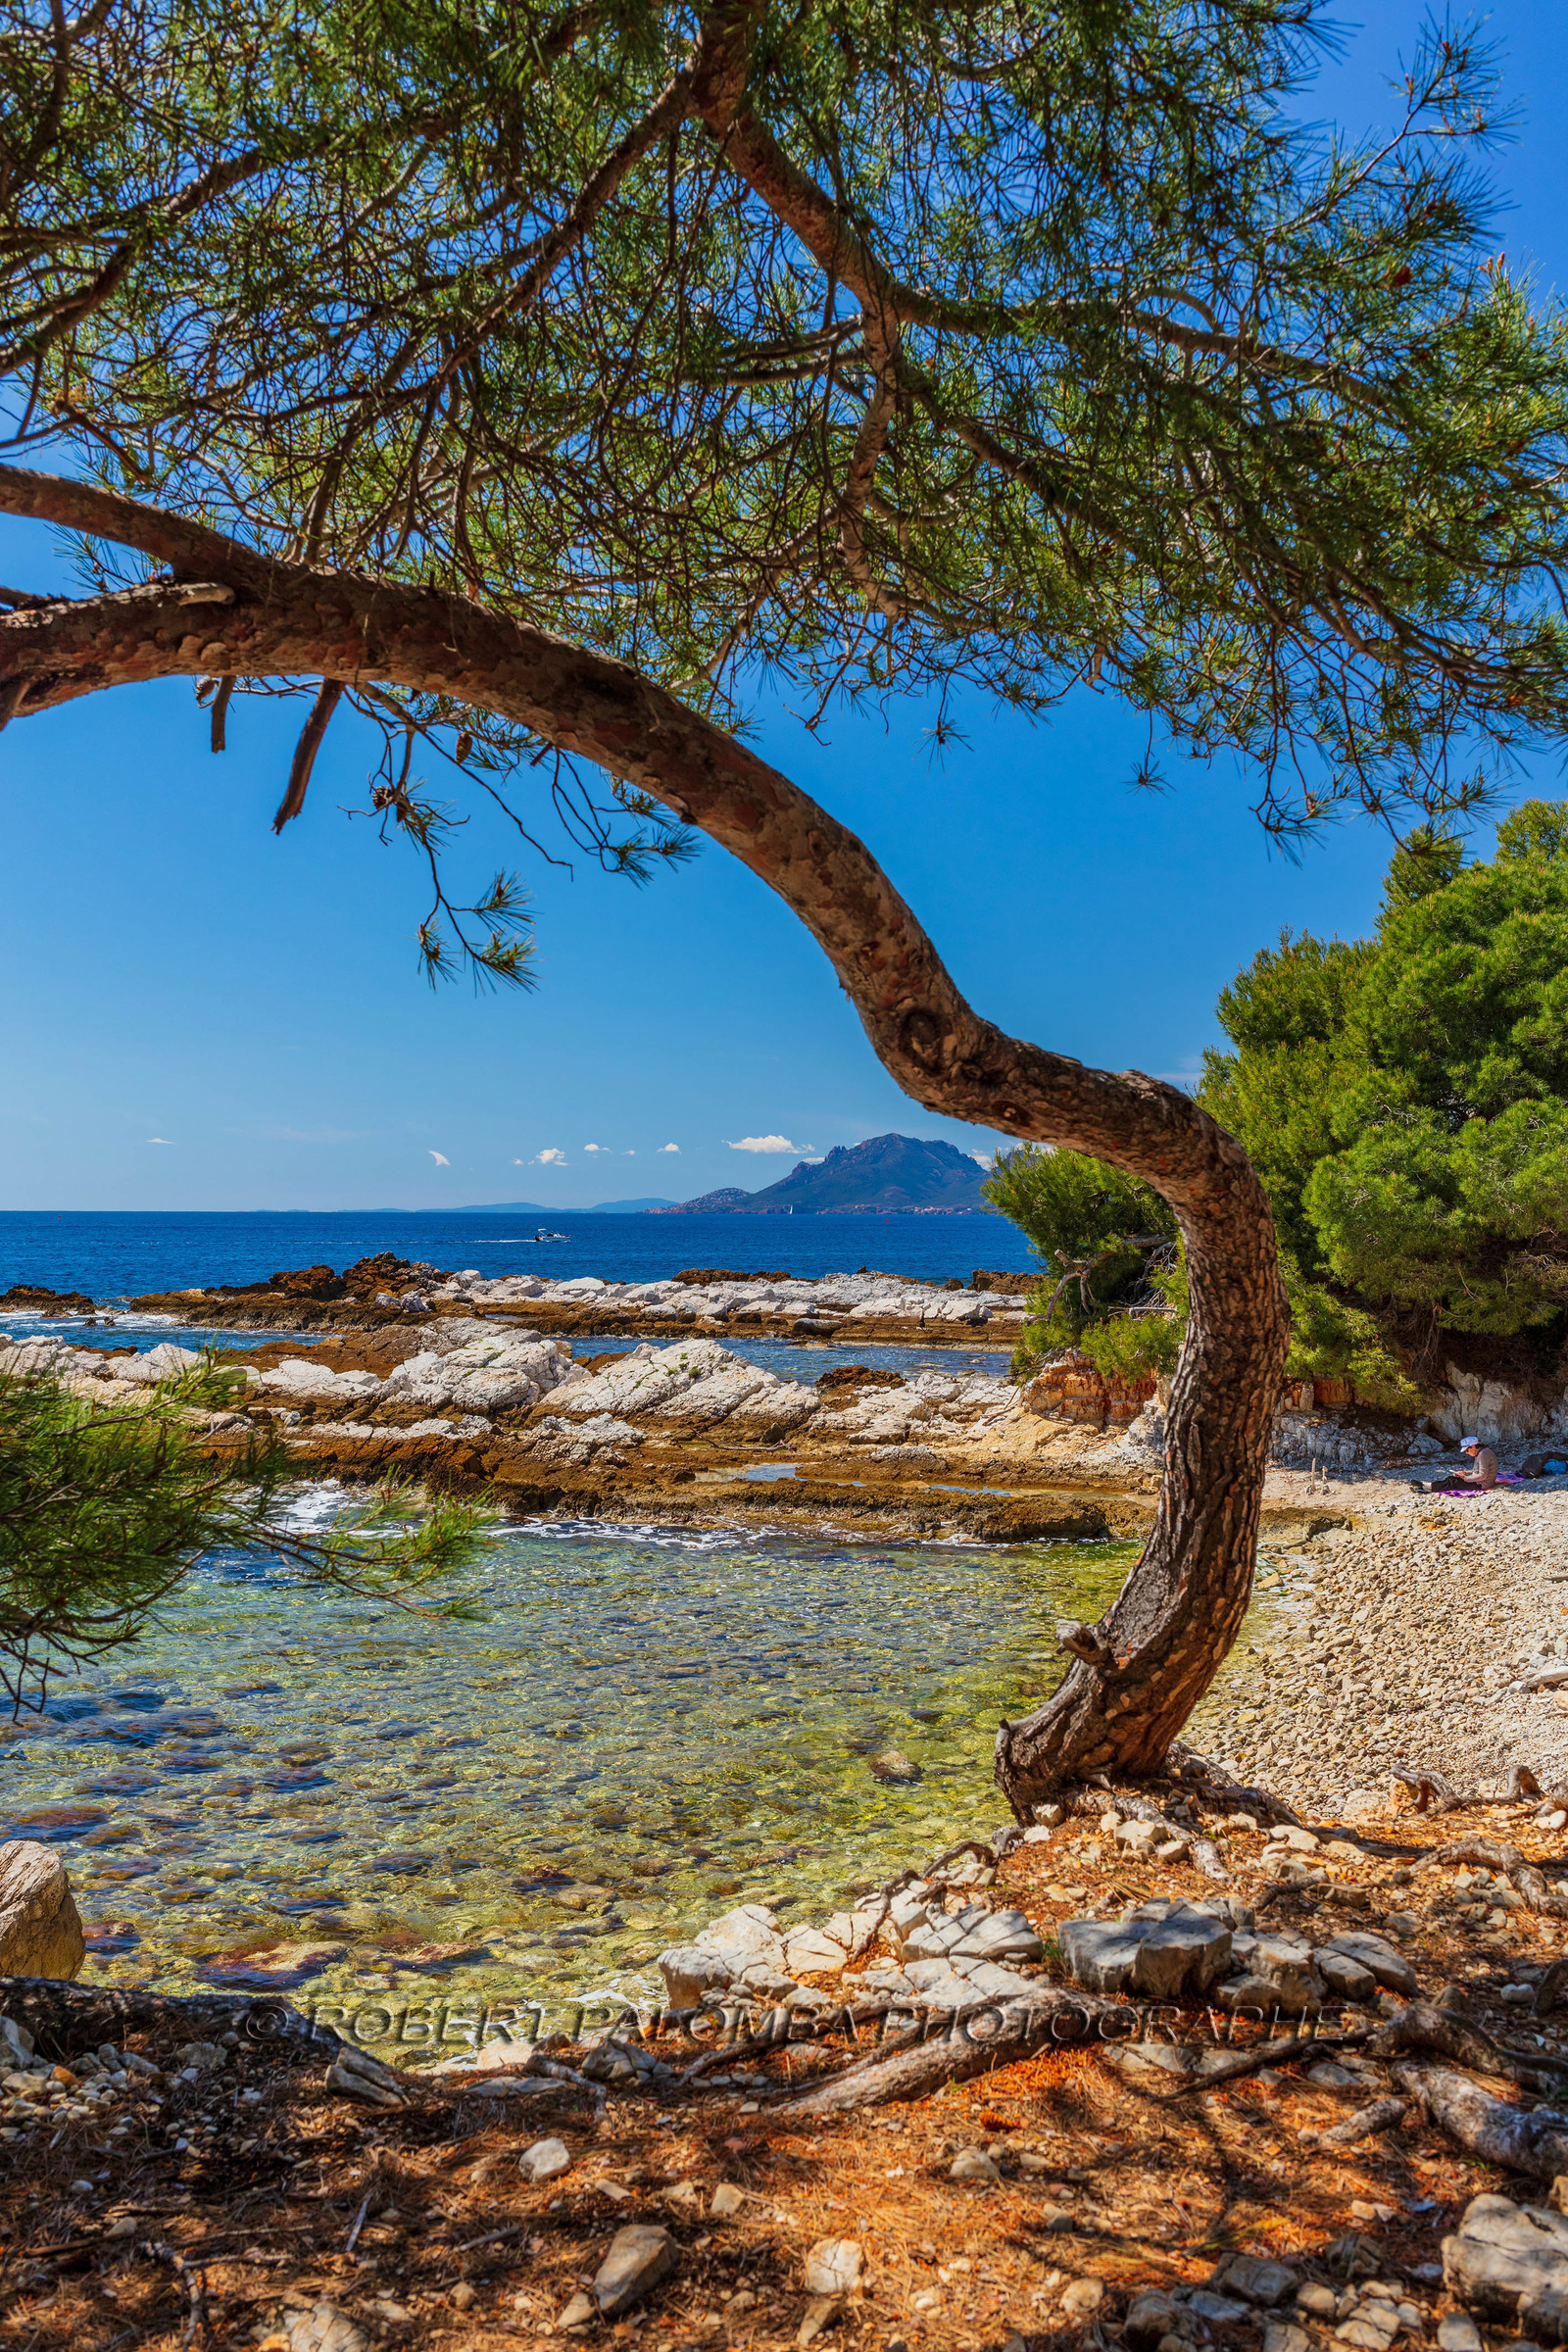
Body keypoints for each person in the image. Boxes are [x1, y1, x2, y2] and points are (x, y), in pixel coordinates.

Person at [1411, 1437, 1500, 1494]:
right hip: (1481, 1482)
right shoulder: (1482, 1452)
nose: (1466, 1453)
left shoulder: (1483, 1454)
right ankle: (1428, 1486)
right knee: (1451, 1479)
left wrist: (1466, 1478)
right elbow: (1477, 1471)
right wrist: (1464, 1473)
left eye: (1467, 1450)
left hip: (1482, 1484)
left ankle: (1427, 1487)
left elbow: (1483, 1475)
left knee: (1453, 1482)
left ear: (1473, 1446)